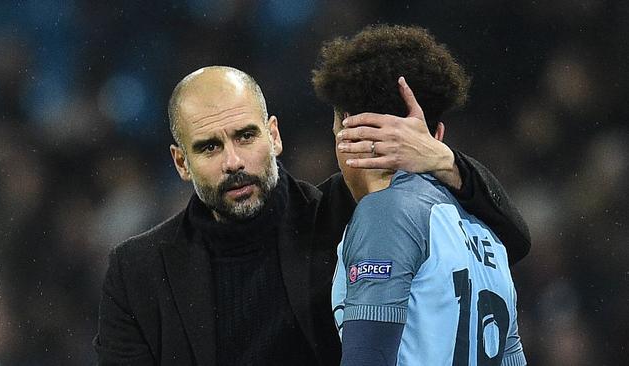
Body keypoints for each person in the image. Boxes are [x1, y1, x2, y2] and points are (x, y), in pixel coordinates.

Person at [93, 65, 529, 365]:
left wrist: (443, 160)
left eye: (246, 136)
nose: (233, 161)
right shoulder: (138, 272)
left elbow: (515, 236)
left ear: (274, 135)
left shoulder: (346, 213)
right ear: (180, 162)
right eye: (209, 146)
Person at [314, 25, 527, 365]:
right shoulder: (487, 231)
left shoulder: (384, 214)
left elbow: (368, 357)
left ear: (347, 130)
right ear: (437, 134)